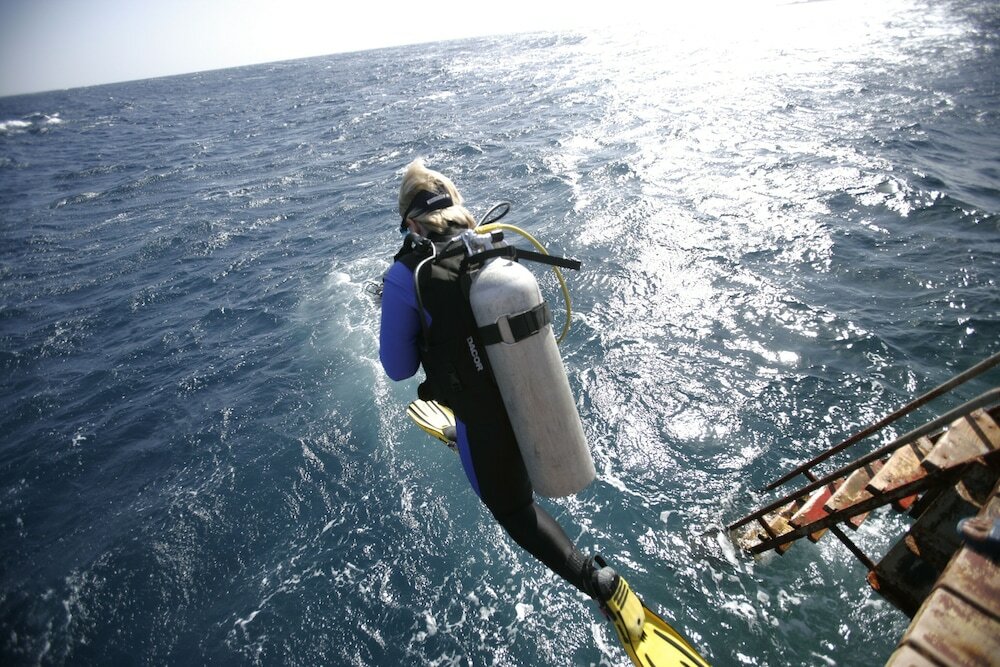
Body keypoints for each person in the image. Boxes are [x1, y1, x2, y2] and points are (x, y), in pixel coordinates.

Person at [378, 158, 617, 604]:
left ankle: (595, 581)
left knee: (513, 510)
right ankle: (463, 436)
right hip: (531, 389)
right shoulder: (487, 245)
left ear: (411, 222)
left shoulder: (405, 274)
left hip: (483, 420)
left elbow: (397, 368)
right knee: (511, 472)